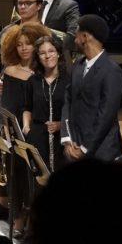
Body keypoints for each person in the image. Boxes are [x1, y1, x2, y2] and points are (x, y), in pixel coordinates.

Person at [0, 21, 50, 235]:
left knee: (37, 180)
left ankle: (35, 222)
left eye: (28, 44)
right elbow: (6, 106)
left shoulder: (43, 73)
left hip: (38, 132)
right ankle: (18, 220)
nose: (24, 48)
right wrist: (6, 130)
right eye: (20, 44)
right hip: (14, 134)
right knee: (17, 177)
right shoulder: (11, 71)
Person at [62, 14, 122, 162]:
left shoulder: (111, 70)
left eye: (76, 32)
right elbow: (68, 100)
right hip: (73, 147)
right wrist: (67, 139)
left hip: (101, 151)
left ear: (84, 37)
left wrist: (85, 148)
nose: (74, 38)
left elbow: (105, 116)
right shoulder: (77, 65)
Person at [29, 34, 69, 174]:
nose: (47, 56)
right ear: (38, 57)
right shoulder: (33, 81)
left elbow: (77, 111)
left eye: (51, 51)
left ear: (58, 53)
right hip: (38, 138)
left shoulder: (69, 80)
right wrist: (28, 129)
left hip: (62, 138)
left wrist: (60, 125)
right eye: (42, 53)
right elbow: (27, 107)